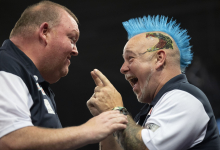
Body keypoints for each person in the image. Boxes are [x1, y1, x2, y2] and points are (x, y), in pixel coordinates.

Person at [0, 1, 128, 149]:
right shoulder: (5, 65)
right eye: (72, 39)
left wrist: (107, 123)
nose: (75, 51)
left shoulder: (37, 84)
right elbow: (8, 140)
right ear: (44, 32)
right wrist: (88, 130)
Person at [87, 15, 220, 150]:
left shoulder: (184, 99)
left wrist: (115, 110)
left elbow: (145, 147)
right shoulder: (151, 111)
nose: (122, 68)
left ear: (159, 59)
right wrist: (107, 117)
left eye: (130, 58)